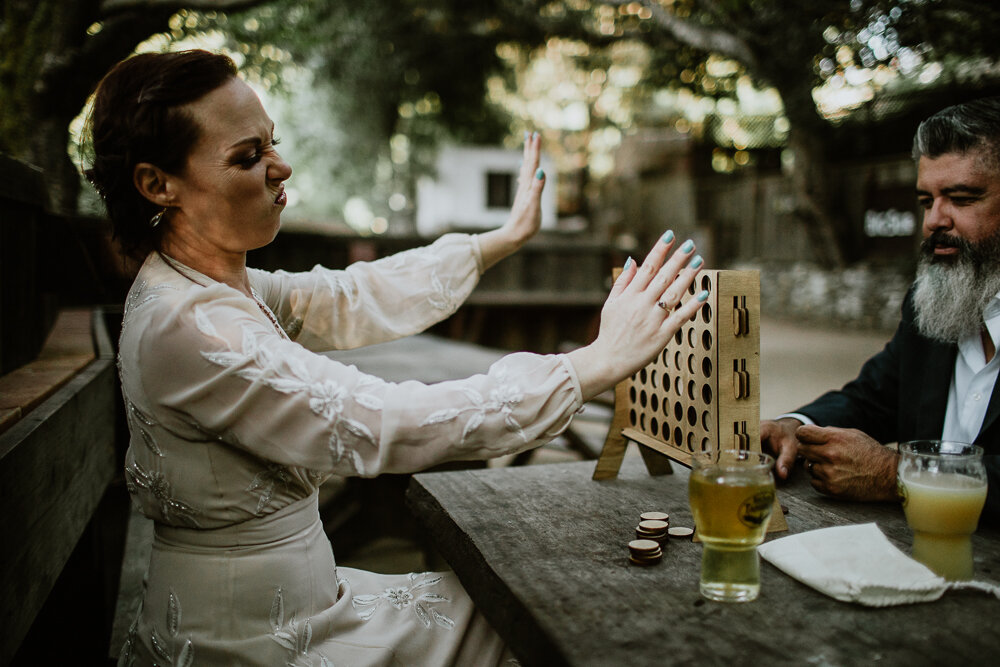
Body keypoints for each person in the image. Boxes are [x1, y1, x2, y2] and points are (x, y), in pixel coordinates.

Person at [86, 50, 709, 666]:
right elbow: (379, 420)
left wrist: (502, 238)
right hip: (251, 641)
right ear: (156, 183)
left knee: (532, 602)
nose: (283, 167)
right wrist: (593, 364)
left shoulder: (204, 287)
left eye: (272, 144)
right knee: (545, 623)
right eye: (249, 157)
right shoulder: (192, 324)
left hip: (287, 604)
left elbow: (351, 295)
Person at [760, 96, 1000, 521]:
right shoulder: (932, 302)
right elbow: (876, 398)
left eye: (961, 199)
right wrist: (796, 426)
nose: (934, 220)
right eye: (927, 201)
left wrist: (900, 476)